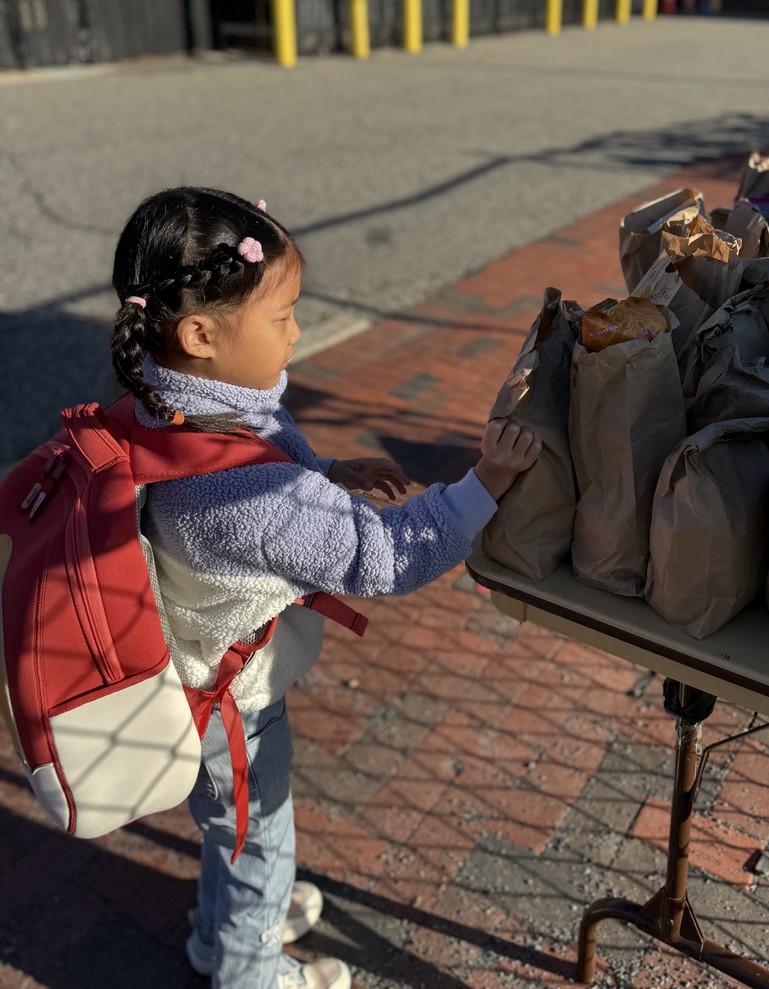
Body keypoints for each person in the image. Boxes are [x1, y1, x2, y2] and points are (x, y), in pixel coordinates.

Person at [109, 187, 541, 989]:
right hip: (226, 705)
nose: (297, 332)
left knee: (232, 830)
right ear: (201, 333)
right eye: (282, 316)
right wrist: (487, 480)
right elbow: (384, 557)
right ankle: (249, 968)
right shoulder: (251, 496)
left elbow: (259, 479)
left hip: (190, 678)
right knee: (259, 842)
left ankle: (217, 934)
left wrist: (329, 475)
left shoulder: (165, 402)